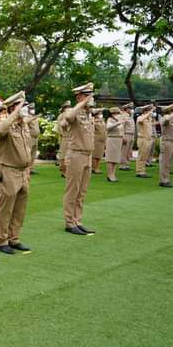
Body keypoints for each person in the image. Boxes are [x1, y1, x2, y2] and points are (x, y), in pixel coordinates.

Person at [0, 91, 33, 254]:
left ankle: (14, 238)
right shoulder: (4, 123)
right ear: (13, 108)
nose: (25, 108)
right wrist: (14, 113)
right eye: (21, 106)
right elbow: (0, 130)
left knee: (19, 209)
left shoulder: (23, 124)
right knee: (6, 209)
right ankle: (1, 240)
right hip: (9, 170)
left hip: (23, 171)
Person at [62, 83, 96, 235]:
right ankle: (69, 222)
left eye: (91, 95)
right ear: (79, 97)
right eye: (87, 95)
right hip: (76, 154)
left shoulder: (88, 114)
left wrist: (86, 105)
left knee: (82, 191)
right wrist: (82, 103)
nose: (90, 98)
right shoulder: (73, 111)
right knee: (72, 190)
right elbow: (68, 117)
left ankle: (77, 220)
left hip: (87, 155)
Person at [159, 103, 173, 188]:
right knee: (165, 162)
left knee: (169, 163)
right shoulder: (164, 118)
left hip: (172, 142)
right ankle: (164, 180)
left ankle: (166, 179)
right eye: (172, 111)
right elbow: (169, 118)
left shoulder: (171, 120)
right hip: (167, 142)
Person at [105, 107, 124, 183]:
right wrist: (118, 123)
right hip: (112, 139)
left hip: (118, 140)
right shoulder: (110, 120)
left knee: (116, 158)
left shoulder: (118, 120)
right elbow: (108, 127)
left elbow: (121, 130)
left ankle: (113, 174)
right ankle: (110, 175)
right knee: (111, 158)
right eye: (116, 113)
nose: (117, 115)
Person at [135, 105, 154, 178]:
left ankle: (142, 170)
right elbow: (140, 121)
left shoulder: (149, 119)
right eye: (149, 111)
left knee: (145, 156)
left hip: (148, 139)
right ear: (145, 111)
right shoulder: (140, 117)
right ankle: (140, 171)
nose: (151, 113)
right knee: (142, 156)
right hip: (143, 139)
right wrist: (148, 114)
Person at [56, 101, 71, 177]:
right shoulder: (62, 115)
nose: (69, 108)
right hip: (65, 137)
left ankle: (68, 170)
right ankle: (64, 171)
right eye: (68, 107)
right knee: (64, 154)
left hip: (70, 137)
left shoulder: (69, 114)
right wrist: (63, 135)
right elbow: (60, 127)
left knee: (69, 155)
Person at [119, 103, 135, 170]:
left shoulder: (130, 116)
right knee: (124, 151)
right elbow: (121, 127)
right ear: (126, 109)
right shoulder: (123, 116)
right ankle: (122, 165)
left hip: (131, 134)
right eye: (130, 108)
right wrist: (122, 137)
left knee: (129, 151)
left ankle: (127, 164)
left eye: (131, 108)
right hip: (126, 134)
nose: (131, 109)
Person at [91, 109, 107, 175]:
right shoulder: (92, 121)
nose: (100, 114)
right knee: (95, 154)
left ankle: (97, 167)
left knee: (99, 154)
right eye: (98, 113)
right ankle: (94, 168)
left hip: (102, 139)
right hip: (96, 139)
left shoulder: (102, 120)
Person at [27, 104, 41, 175]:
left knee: (33, 154)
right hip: (30, 137)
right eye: (31, 108)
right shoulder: (27, 117)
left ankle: (31, 168)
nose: (33, 110)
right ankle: (27, 169)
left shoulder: (35, 118)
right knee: (28, 153)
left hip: (36, 138)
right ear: (28, 109)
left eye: (33, 108)